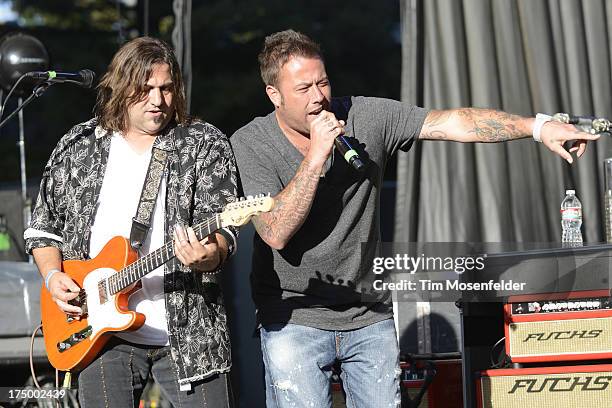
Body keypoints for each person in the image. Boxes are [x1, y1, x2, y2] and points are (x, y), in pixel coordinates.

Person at [229, 29, 599, 408]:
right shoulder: (250, 142)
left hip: (367, 313)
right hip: (294, 317)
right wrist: (316, 158)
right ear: (274, 95)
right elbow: (275, 233)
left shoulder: (366, 116)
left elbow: (454, 122)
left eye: (322, 82)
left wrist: (538, 127)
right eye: (303, 88)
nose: (319, 97)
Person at [24, 37, 237, 407]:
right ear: (121, 89)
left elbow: (223, 231)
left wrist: (208, 255)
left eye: (166, 88)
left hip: (189, 336)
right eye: (146, 89)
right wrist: (52, 276)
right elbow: (43, 229)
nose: (158, 101)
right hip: (99, 335)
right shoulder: (80, 144)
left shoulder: (203, 143)